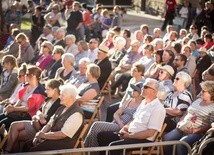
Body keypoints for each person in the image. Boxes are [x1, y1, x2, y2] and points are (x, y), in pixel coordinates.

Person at [97, 78, 166, 155]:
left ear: (154, 91)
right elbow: (134, 119)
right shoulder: (144, 102)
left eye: (146, 87)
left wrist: (130, 136)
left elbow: (150, 133)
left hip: (143, 140)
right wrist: (124, 128)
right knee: (102, 136)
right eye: (143, 86)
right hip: (130, 133)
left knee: (113, 146)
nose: (142, 88)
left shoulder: (158, 108)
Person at [4, 79, 62, 153]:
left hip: (40, 128)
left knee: (17, 136)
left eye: (48, 89)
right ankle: (7, 151)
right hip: (35, 121)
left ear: (55, 90)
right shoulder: (48, 99)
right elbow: (39, 110)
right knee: (13, 125)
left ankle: (9, 152)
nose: (45, 91)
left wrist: (37, 117)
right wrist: (39, 115)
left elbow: (46, 121)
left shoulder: (59, 104)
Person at [84, 82, 143, 149]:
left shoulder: (142, 105)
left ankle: (88, 149)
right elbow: (116, 114)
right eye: (133, 89)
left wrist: (122, 125)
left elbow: (134, 120)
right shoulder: (129, 100)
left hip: (124, 127)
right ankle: (87, 148)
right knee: (96, 129)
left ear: (141, 93)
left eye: (135, 90)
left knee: (96, 125)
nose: (132, 91)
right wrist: (120, 122)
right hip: (117, 123)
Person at [163, 80, 214, 155]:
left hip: (198, 132)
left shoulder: (213, 107)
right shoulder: (198, 100)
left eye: (204, 91)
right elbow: (187, 111)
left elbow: (210, 124)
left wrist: (196, 130)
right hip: (183, 126)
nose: (201, 92)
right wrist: (181, 120)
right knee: (166, 139)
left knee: (182, 143)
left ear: (211, 93)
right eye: (202, 90)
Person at [29, 83, 84, 152]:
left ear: (71, 98)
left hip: (64, 144)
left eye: (62, 95)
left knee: (33, 151)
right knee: (27, 145)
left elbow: (62, 134)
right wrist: (41, 134)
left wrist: (44, 135)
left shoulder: (76, 113)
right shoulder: (61, 108)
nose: (59, 97)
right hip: (52, 138)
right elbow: (49, 124)